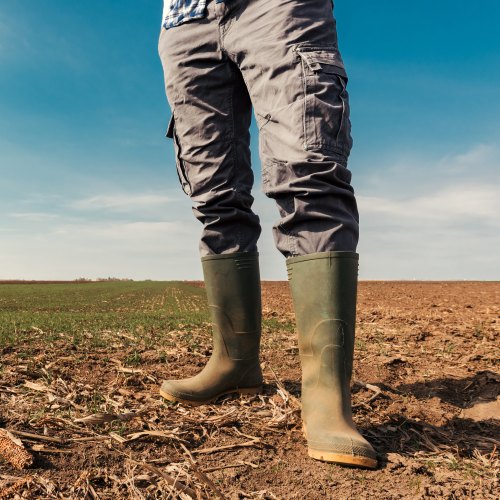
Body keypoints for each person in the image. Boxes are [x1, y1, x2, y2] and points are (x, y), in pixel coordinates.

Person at [158, 0, 377, 469]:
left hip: (275, 8)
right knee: (214, 199)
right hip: (184, 21)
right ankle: (235, 362)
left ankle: (326, 397)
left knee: (309, 176)